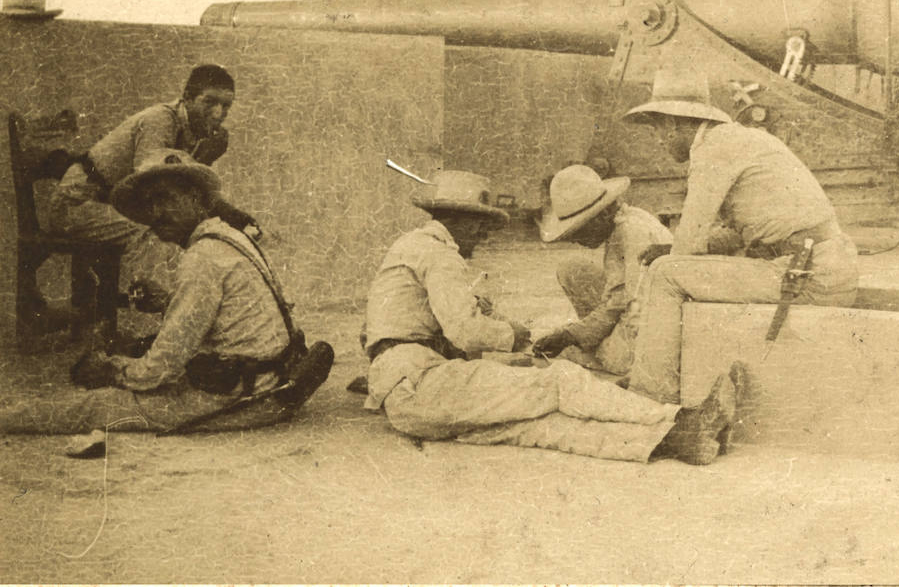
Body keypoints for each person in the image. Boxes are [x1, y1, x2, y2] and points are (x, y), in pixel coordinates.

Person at [362, 169, 740, 465]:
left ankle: (677, 442)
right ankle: (681, 418)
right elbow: (466, 331)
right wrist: (514, 336)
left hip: (410, 400)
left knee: (548, 427)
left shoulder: (410, 248)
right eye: (480, 222)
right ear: (455, 218)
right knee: (558, 382)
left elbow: (380, 335)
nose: (485, 233)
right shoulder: (440, 254)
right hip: (424, 383)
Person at [0, 149, 332, 438]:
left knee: (94, 407)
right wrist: (166, 304)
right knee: (135, 349)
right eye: (148, 203)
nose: (155, 213)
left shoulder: (201, 259)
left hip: (244, 399)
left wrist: (112, 369)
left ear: (197, 200)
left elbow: (159, 372)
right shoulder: (232, 237)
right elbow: (231, 309)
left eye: (166, 198)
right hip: (274, 380)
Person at [620, 67, 859, 404]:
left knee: (665, 274)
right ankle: (656, 372)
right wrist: (671, 247)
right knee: (674, 266)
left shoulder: (713, 149)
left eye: (658, 130)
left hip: (807, 275)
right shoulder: (741, 139)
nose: (660, 141)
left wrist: (671, 251)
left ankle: (649, 396)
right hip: (825, 266)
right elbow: (739, 234)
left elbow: (688, 244)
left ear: (674, 123)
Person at [37, 64, 254, 322]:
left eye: (226, 106)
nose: (218, 113)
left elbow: (184, 191)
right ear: (187, 96)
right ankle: (142, 323)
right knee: (152, 231)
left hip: (105, 207)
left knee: (180, 229)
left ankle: (177, 314)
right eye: (209, 102)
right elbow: (148, 186)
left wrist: (232, 211)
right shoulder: (160, 120)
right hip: (76, 205)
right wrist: (227, 209)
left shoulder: (195, 133)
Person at [531, 163, 673, 376]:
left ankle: (596, 346)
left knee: (569, 355)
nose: (577, 240)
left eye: (581, 229)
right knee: (572, 269)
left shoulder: (631, 234)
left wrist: (574, 336)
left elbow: (630, 308)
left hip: (652, 325)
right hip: (640, 310)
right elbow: (617, 298)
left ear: (603, 215)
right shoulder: (628, 219)